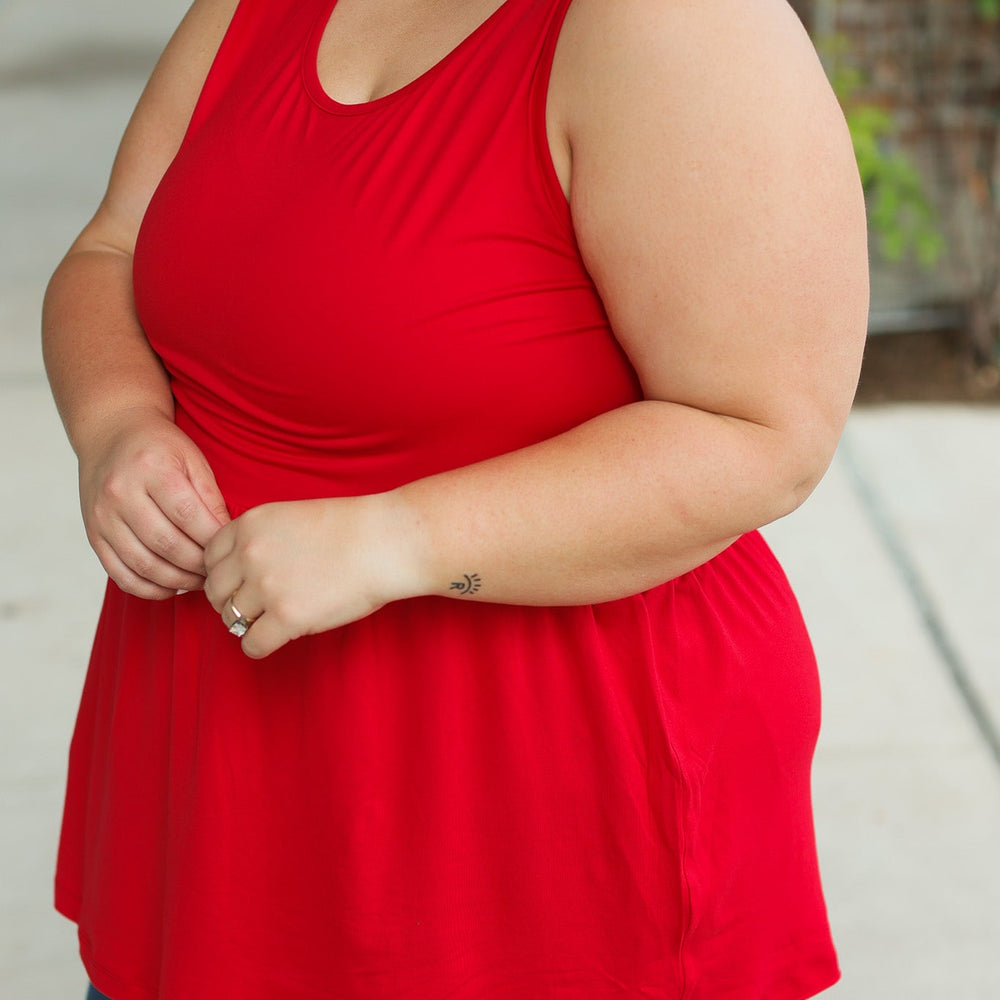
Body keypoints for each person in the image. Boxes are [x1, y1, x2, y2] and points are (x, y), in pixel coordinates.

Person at [43, 0, 869, 996]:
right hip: (220, 779)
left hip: (525, 811)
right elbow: (111, 251)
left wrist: (403, 538)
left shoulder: (674, 26)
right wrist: (115, 425)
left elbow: (762, 433)